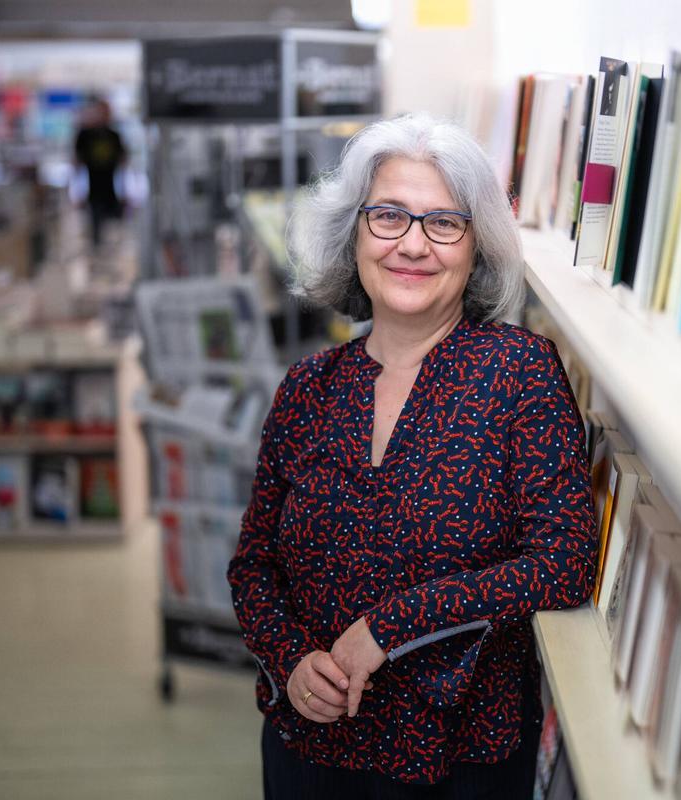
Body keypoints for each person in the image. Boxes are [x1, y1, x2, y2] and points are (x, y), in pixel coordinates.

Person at [228, 113, 596, 799]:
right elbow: (254, 566)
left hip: (457, 761)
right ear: (355, 233)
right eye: (389, 217)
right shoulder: (308, 388)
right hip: (309, 748)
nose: (413, 246)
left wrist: (387, 629)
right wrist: (291, 659)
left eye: (443, 223)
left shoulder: (519, 373)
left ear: (475, 245)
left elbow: (563, 564)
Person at [73, 97, 126, 248]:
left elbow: (123, 164)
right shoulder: (84, 136)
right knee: (94, 232)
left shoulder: (114, 136)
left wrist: (125, 190)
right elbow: (76, 165)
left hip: (111, 191)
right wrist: (76, 192)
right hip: (91, 191)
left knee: (113, 231)